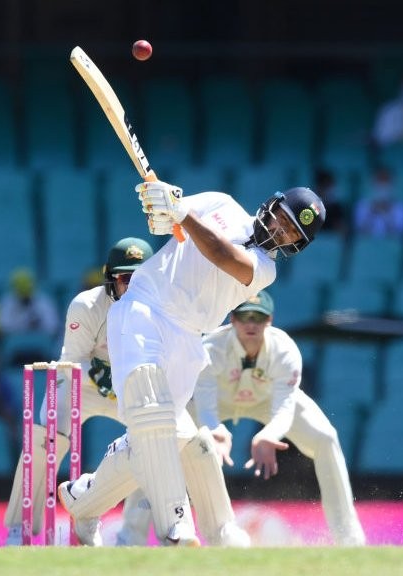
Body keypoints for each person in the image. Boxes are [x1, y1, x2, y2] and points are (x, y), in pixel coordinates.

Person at [58, 180, 326, 547]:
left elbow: (222, 255)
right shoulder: (220, 203)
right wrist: (162, 204)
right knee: (151, 415)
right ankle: (176, 524)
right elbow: (165, 222)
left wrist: (181, 211)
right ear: (271, 205)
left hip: (187, 338)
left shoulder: (265, 268)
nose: (281, 230)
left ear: (296, 244)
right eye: (283, 218)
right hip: (145, 307)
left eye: (292, 232)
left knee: (171, 437)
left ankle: (84, 501)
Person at [3, 237, 157, 545]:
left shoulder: (161, 307)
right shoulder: (86, 305)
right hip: (81, 385)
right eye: (125, 278)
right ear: (110, 278)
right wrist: (101, 375)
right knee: (44, 437)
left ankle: (124, 530)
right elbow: (72, 361)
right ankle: (20, 527)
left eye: (140, 278)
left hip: (130, 387)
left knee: (154, 441)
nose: (132, 286)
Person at [191, 291, 365, 545]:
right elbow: (204, 403)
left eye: (258, 318)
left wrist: (268, 434)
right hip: (219, 400)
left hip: (267, 399)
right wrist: (214, 430)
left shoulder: (285, 349)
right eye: (244, 317)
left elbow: (284, 406)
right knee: (163, 437)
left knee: (326, 438)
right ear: (232, 319)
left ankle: (349, 538)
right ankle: (164, 531)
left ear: (269, 320)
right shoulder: (211, 348)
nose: (251, 324)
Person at [354, 165, 403, 237]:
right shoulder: (362, 205)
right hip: (367, 243)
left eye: (386, 180)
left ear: (393, 183)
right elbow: (360, 232)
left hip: (391, 244)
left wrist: (387, 214)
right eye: (379, 180)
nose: (382, 185)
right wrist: (371, 212)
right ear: (372, 182)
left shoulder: (401, 207)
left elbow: (399, 235)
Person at [313, 167, 348, 236]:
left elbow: (342, 229)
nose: (328, 190)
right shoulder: (310, 205)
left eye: (329, 186)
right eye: (325, 186)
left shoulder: (336, 208)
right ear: (318, 187)